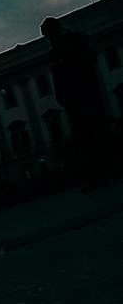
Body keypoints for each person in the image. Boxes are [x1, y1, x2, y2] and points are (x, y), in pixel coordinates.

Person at [42, 17, 112, 190]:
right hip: (73, 98)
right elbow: (56, 76)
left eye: (49, 35)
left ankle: (108, 171)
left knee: (97, 132)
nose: (49, 39)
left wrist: (71, 62)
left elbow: (90, 56)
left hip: (87, 92)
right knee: (83, 137)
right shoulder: (54, 51)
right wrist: (61, 96)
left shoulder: (77, 39)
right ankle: (96, 176)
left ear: (56, 31)